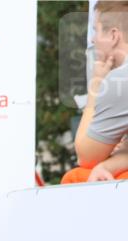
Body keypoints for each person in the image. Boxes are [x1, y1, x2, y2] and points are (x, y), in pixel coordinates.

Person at [64, 1, 128, 183]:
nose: (92, 40)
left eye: (96, 30)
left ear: (113, 35)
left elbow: (86, 156)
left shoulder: (120, 80)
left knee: (75, 178)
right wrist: (108, 166)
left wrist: (96, 86)